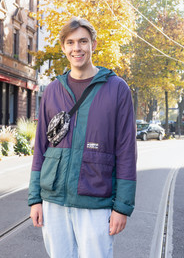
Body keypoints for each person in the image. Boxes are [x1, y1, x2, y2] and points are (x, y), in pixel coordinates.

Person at [28, 17, 137, 258]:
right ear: (64, 47)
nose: (77, 48)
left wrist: (122, 207)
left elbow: (126, 150)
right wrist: (35, 199)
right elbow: (41, 148)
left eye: (83, 41)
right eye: (70, 42)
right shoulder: (53, 90)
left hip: (95, 201)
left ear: (93, 45)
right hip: (54, 200)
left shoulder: (117, 88)